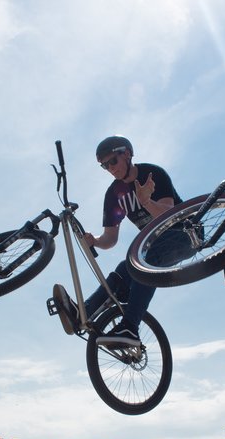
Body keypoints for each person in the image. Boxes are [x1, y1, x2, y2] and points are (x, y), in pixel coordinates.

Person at [52, 135, 182, 347]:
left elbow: (169, 215)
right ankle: (83, 312)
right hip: (153, 244)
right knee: (124, 269)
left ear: (127, 154)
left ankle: (130, 328)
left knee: (143, 263)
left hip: (182, 234)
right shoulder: (114, 194)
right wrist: (94, 241)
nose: (110, 168)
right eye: (104, 166)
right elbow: (110, 239)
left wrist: (146, 201)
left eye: (113, 161)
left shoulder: (153, 174)